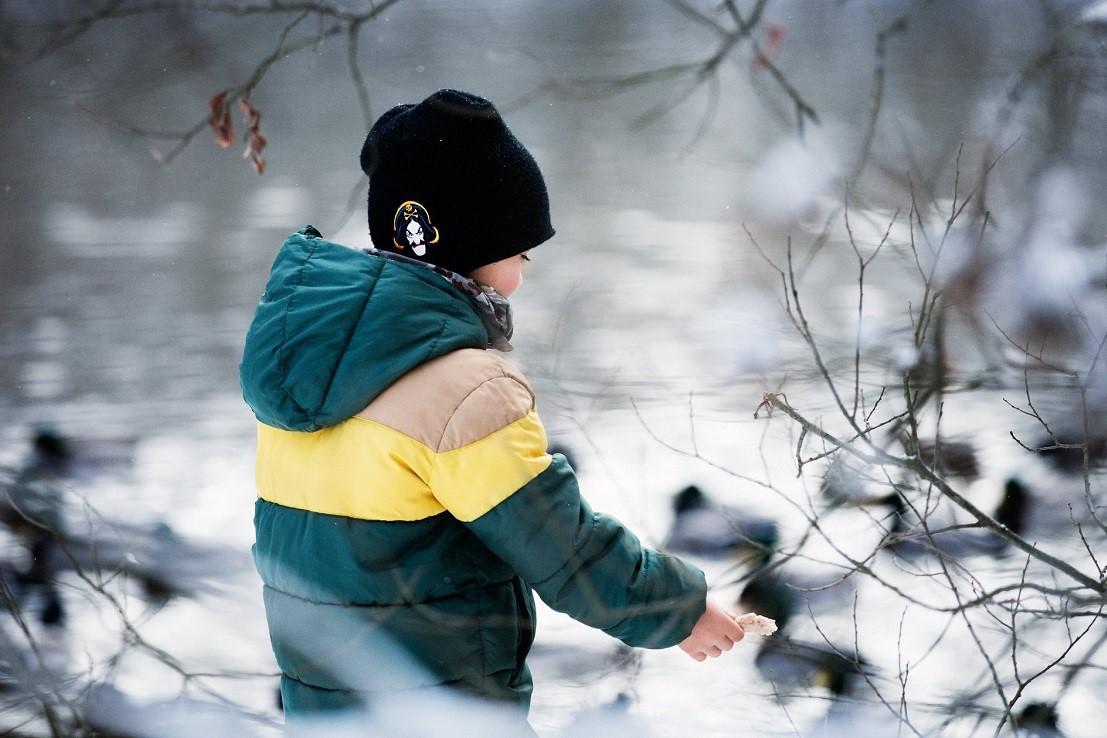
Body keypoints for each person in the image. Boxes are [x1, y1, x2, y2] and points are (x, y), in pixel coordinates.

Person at [240, 89, 745, 730]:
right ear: (468, 246)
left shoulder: (305, 373)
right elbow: (561, 546)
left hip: (325, 707)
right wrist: (678, 610)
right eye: (520, 253)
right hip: (442, 708)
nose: (524, 275)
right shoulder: (465, 389)